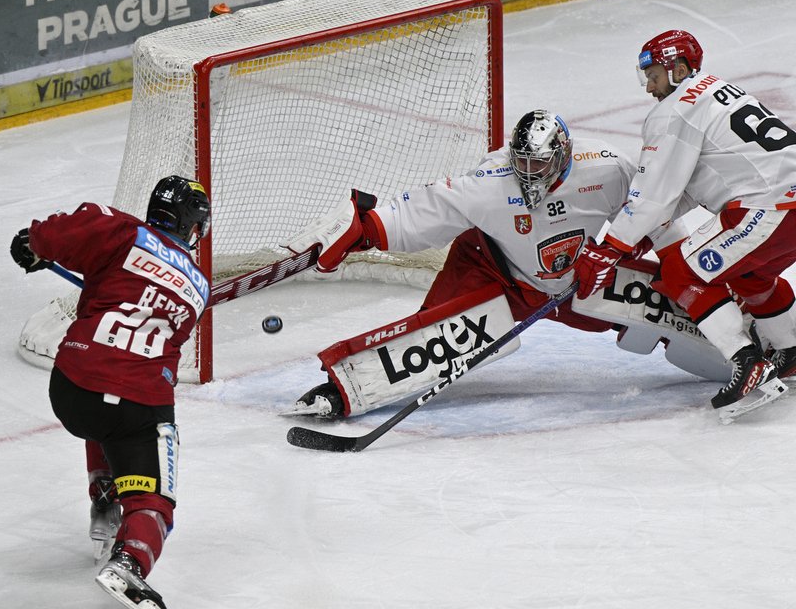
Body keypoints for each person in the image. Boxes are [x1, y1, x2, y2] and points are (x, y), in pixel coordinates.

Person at [280, 110, 722, 420]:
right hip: (492, 270)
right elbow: (423, 211)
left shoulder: (606, 170)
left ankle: (742, 345)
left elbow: (652, 212)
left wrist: (680, 270)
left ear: (564, 156)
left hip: (576, 276)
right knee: (434, 342)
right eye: (523, 162)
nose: (529, 173)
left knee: (655, 305)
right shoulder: (490, 182)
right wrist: (366, 229)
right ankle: (344, 391)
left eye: (540, 163)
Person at [10, 175, 211, 609]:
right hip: (136, 403)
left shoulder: (123, 232)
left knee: (105, 402)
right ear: (192, 226)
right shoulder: (198, 286)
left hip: (71, 388)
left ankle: (104, 495)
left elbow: (60, 233)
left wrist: (34, 243)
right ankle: (130, 561)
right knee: (155, 501)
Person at [572, 29, 796, 422]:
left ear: (677, 69)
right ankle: (790, 351)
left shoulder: (673, 111)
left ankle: (748, 364)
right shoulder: (715, 91)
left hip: (768, 206)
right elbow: (687, 186)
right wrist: (638, 234)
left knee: (680, 269)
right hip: (783, 204)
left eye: (654, 76)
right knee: (748, 275)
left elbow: (654, 194)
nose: (649, 88)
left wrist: (610, 248)